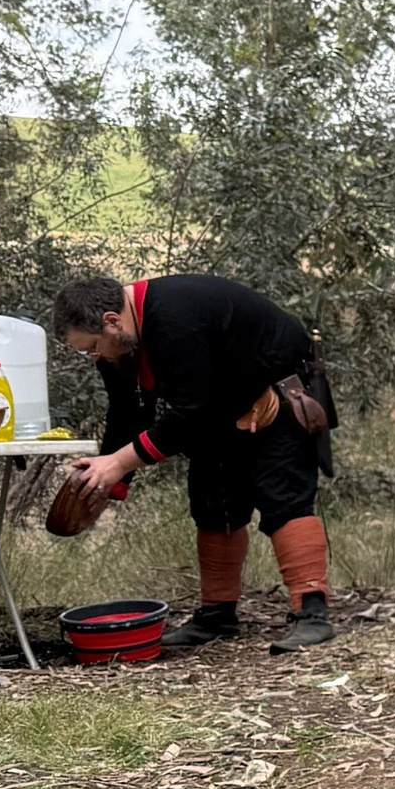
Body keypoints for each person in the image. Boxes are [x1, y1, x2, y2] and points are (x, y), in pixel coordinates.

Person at [52, 272, 337, 650]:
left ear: (111, 320)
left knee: (283, 499)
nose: (93, 357)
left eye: (90, 348)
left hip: (278, 393)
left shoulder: (173, 317)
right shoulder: (118, 343)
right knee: (213, 501)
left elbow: (192, 413)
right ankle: (217, 616)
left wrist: (121, 463)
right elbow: (127, 411)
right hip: (216, 406)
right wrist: (109, 485)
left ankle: (312, 613)